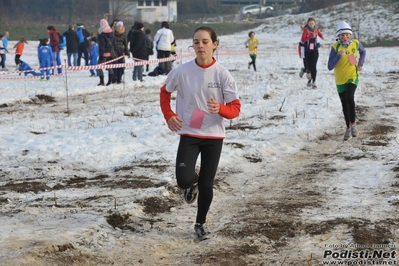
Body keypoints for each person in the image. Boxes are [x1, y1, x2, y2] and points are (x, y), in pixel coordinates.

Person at [159, 26, 241, 240]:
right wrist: (169, 115)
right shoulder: (182, 71)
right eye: (196, 42)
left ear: (215, 44)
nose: (200, 46)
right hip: (191, 130)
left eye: (205, 42)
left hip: (214, 133)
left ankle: (200, 223)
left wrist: (220, 109)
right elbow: (164, 92)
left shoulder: (223, 74)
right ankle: (191, 181)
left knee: (207, 184)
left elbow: (235, 108)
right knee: (183, 180)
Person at [328, 21, 366, 141]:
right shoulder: (335, 47)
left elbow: (363, 52)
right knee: (344, 105)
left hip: (352, 76)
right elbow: (329, 66)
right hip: (340, 80)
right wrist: (338, 56)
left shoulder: (355, 43)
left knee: (350, 98)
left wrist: (360, 64)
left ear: (350, 35)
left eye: (347, 35)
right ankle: (348, 127)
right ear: (338, 36)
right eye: (342, 35)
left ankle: (353, 123)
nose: (345, 37)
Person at [300, 17, 324, 89]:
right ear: (308, 24)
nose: (311, 25)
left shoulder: (316, 29)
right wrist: (310, 36)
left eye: (312, 23)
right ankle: (306, 74)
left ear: (314, 23)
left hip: (315, 50)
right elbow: (303, 39)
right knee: (309, 68)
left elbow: (319, 33)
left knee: (313, 65)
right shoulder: (306, 30)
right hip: (307, 51)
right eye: (310, 23)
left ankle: (314, 82)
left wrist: (321, 36)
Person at [97, 19, 117, 86]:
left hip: (104, 53)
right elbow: (114, 43)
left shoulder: (101, 34)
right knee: (109, 66)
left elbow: (102, 45)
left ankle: (102, 81)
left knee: (99, 66)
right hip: (111, 53)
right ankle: (110, 81)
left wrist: (101, 54)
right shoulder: (112, 33)